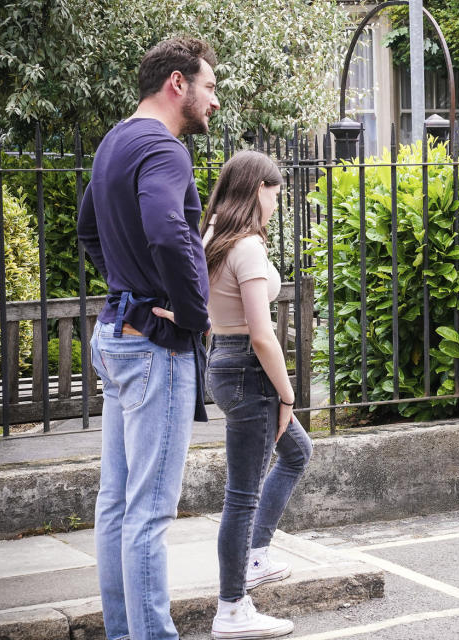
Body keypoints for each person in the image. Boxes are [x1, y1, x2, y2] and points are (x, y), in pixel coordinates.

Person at [78, 37, 219, 639]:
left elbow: (87, 229)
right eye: (210, 87)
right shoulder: (164, 149)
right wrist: (190, 312)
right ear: (177, 84)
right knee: (149, 514)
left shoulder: (114, 142)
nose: (215, 100)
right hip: (154, 347)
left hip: (116, 335)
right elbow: (167, 230)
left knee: (116, 506)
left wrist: (124, 284)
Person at [160, 150, 311, 639]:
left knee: (297, 452)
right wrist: (287, 395)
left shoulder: (210, 238)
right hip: (249, 368)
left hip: (225, 362)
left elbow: (202, 312)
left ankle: (256, 555)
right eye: (276, 195)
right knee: (241, 495)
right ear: (258, 190)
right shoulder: (246, 248)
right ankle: (231, 607)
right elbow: (264, 336)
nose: (277, 206)